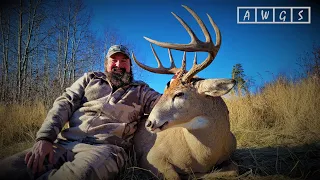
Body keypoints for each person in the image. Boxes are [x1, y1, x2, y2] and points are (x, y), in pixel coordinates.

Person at [0, 45, 162, 180]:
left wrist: (176, 84)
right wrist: (45, 138)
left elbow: (165, 103)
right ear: (106, 64)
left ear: (130, 66)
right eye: (114, 60)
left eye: (124, 61)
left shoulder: (141, 91)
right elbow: (64, 103)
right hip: (64, 143)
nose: (118, 65)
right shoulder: (90, 79)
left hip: (105, 150)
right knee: (8, 169)